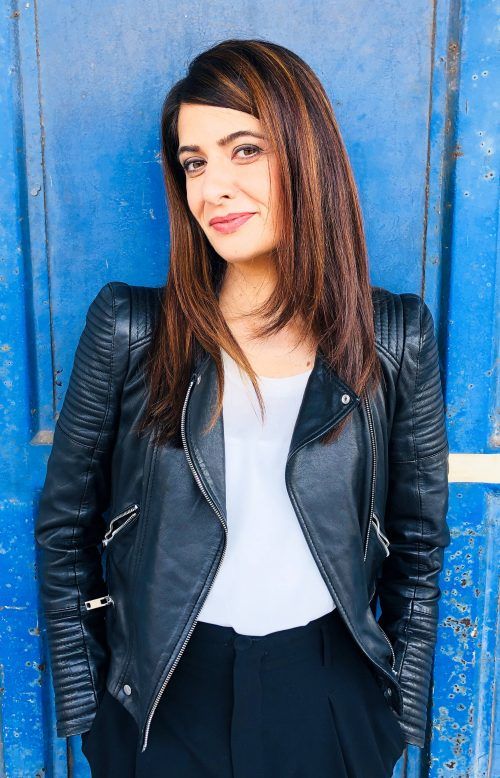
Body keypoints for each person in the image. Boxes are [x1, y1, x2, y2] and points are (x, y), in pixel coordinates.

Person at [34, 38, 451, 778]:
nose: (212, 188)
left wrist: (397, 715)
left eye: (245, 151)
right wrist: (88, 710)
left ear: (307, 156)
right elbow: (65, 527)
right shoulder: (132, 331)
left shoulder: (393, 338)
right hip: (163, 698)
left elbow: (417, 545)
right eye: (194, 163)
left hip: (329, 695)